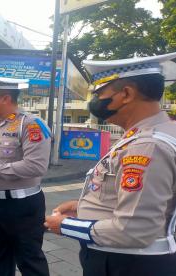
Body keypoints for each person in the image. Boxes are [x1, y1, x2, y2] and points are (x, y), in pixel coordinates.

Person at [44, 52, 176, 276]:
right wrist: (81, 207)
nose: (94, 100)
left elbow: (134, 230)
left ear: (126, 94)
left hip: (127, 263)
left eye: (99, 92)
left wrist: (65, 226)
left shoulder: (147, 145)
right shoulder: (147, 134)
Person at [0, 72, 51, 276]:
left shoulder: (30, 124)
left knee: (29, 259)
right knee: (1, 255)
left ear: (5, 98)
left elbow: (36, 166)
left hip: (22, 207)